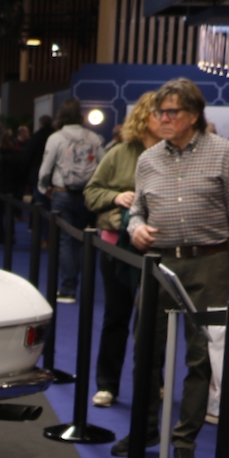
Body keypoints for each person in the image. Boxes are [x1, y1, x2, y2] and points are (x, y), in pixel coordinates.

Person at [121, 78, 229, 458]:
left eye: (171, 112)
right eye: (158, 112)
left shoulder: (224, 153)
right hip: (159, 263)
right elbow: (137, 210)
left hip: (209, 263)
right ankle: (145, 430)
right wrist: (135, 228)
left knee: (201, 356)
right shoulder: (148, 159)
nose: (162, 119)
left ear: (194, 115)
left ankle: (184, 441)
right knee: (146, 350)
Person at [83, 91, 158, 408]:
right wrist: (116, 197)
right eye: (160, 113)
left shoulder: (176, 154)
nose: (167, 119)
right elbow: (91, 193)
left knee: (154, 321)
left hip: (159, 248)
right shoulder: (119, 153)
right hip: (117, 247)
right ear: (144, 116)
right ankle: (107, 384)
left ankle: (153, 383)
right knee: (116, 316)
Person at [36, 98, 105, 302]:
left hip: (62, 193)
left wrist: (44, 188)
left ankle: (68, 288)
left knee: (65, 241)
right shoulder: (93, 137)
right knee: (80, 240)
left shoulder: (56, 138)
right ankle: (79, 284)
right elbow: (104, 165)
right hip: (85, 195)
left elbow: (45, 170)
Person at [24, 113, 53, 201]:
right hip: (53, 175)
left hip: (37, 174)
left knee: (39, 202)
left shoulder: (35, 137)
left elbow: (28, 156)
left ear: (40, 124)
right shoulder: (55, 136)